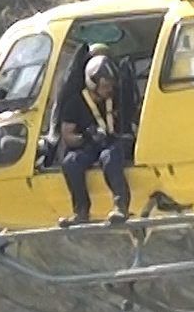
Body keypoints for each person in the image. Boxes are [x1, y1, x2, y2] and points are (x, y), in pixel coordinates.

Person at [58, 54, 137, 226]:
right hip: (89, 145)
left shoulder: (118, 98)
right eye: (105, 86)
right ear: (93, 84)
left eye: (112, 85)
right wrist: (86, 137)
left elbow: (133, 119)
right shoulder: (75, 103)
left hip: (114, 142)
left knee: (110, 157)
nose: (110, 90)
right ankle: (81, 211)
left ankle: (121, 207)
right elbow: (68, 136)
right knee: (71, 162)